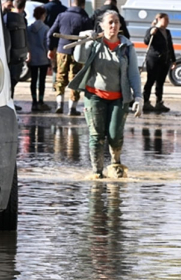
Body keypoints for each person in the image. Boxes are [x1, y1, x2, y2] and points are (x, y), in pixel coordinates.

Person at [68, 10, 143, 179]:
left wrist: (138, 96)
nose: (113, 26)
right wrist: (82, 39)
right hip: (95, 95)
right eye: (110, 22)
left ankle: (115, 163)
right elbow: (79, 58)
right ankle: (97, 172)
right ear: (101, 25)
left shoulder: (126, 47)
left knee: (115, 135)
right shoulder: (94, 43)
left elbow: (133, 74)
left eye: (116, 22)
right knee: (96, 135)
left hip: (119, 97)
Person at [47, 0, 94, 116]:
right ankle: (72, 108)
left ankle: (59, 105)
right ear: (83, 5)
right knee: (75, 79)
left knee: (60, 77)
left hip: (61, 51)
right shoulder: (85, 19)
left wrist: (50, 48)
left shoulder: (62, 16)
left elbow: (50, 33)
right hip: (78, 53)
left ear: (71, 3)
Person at [142, 13, 175, 113]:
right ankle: (146, 101)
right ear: (159, 20)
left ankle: (159, 102)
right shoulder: (153, 30)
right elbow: (146, 41)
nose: (168, 22)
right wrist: (151, 33)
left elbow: (170, 46)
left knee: (160, 82)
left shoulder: (167, 32)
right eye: (166, 20)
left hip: (164, 60)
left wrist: (173, 60)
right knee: (151, 80)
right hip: (153, 59)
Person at [4, 0, 29, 111]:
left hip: (13, 54)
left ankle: (10, 101)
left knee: (13, 79)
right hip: (7, 53)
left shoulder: (17, 18)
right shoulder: (0, 17)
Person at [27, 6, 51, 112]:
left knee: (33, 80)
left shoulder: (29, 28)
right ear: (42, 15)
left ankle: (34, 101)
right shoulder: (46, 29)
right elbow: (47, 44)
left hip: (32, 57)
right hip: (43, 58)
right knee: (41, 81)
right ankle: (40, 101)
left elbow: (26, 43)